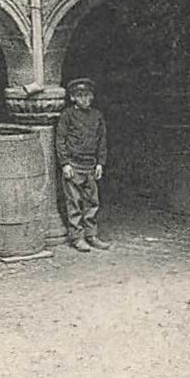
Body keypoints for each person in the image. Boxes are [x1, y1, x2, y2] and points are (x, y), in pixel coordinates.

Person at [57, 77, 110, 252]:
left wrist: (100, 163)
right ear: (72, 98)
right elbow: (61, 140)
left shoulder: (97, 116)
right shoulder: (67, 116)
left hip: (90, 166)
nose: (84, 99)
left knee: (92, 202)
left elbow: (102, 141)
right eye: (79, 96)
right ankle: (77, 237)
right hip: (73, 165)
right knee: (74, 204)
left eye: (87, 95)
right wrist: (65, 163)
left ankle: (91, 235)